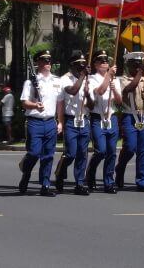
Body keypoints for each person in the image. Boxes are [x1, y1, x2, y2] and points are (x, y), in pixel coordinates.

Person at [17, 49, 60, 196]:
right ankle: (26, 173)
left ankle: (45, 185)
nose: (48, 63)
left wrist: (59, 122)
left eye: (49, 60)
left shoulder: (56, 81)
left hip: (50, 122)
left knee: (48, 155)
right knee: (34, 153)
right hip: (35, 122)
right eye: (45, 60)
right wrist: (35, 105)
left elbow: (60, 102)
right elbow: (24, 102)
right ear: (38, 63)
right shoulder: (31, 82)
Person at [115, 51, 144, 192]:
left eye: (139, 64)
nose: (138, 66)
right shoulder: (123, 79)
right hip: (129, 116)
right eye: (135, 64)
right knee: (130, 147)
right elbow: (128, 89)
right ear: (128, 64)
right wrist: (140, 74)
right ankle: (120, 168)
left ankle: (143, 181)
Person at [53, 51, 91, 195]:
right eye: (78, 65)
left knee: (82, 153)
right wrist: (82, 76)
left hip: (84, 119)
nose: (81, 67)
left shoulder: (88, 79)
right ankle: (59, 174)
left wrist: (89, 94)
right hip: (70, 120)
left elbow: (91, 103)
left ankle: (79, 183)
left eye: (83, 64)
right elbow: (73, 90)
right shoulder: (65, 79)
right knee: (70, 154)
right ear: (72, 65)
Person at [84, 49, 121, 194]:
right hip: (97, 118)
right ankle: (91, 173)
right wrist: (108, 77)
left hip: (111, 117)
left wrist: (115, 89)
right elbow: (99, 92)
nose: (104, 63)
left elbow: (119, 101)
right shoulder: (92, 79)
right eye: (101, 61)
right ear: (95, 64)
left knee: (111, 152)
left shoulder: (115, 79)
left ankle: (108, 182)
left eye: (106, 61)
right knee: (100, 151)